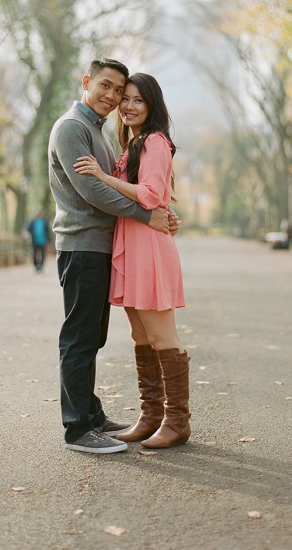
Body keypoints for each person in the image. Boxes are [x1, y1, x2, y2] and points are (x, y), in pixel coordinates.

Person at [48, 59, 174, 454]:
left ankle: (92, 415)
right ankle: (77, 429)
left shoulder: (99, 133)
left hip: (100, 247)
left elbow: (130, 185)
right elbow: (94, 192)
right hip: (81, 246)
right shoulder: (71, 128)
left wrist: (162, 213)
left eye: (119, 91)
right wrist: (146, 215)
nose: (112, 96)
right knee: (80, 338)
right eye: (106, 86)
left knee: (93, 337)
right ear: (86, 82)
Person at [74, 72, 190, 449]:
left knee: (161, 336)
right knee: (141, 336)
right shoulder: (135, 144)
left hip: (151, 250)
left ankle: (177, 422)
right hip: (133, 244)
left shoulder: (155, 142)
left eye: (138, 100)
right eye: (126, 98)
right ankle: (151, 415)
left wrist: (104, 178)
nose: (128, 105)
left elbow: (152, 194)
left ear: (152, 104)